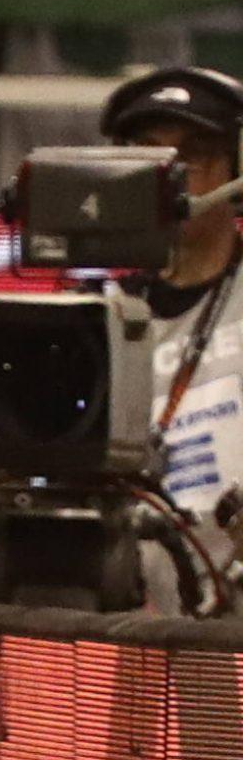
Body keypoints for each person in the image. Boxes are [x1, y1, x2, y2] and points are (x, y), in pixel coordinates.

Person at [98, 66, 243, 613]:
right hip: (126, 638)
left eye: (192, 156)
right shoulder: (97, 317)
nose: (169, 176)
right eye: (149, 156)